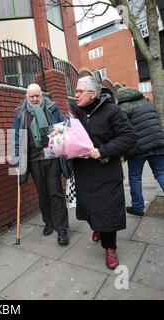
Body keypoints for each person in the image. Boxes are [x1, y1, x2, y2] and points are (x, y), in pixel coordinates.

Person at [71, 76, 137, 269]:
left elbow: (129, 136)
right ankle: (97, 227)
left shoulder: (112, 111)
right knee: (90, 206)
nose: (75, 95)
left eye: (79, 91)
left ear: (93, 94)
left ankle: (110, 247)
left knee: (108, 210)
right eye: (76, 91)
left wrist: (103, 150)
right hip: (84, 170)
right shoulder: (75, 113)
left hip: (106, 171)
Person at [12, 83, 70, 245]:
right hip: (34, 159)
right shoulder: (20, 114)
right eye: (32, 96)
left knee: (55, 191)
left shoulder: (52, 108)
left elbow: (63, 129)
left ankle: (62, 228)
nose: (35, 99)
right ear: (27, 97)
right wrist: (17, 162)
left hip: (52, 157)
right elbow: (16, 139)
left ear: (42, 95)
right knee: (42, 193)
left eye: (38, 95)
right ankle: (49, 222)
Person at [116, 87, 164, 216]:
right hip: (158, 142)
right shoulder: (146, 101)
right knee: (161, 173)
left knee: (135, 177)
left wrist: (122, 151)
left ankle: (138, 207)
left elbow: (123, 129)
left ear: (120, 96)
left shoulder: (123, 106)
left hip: (138, 147)